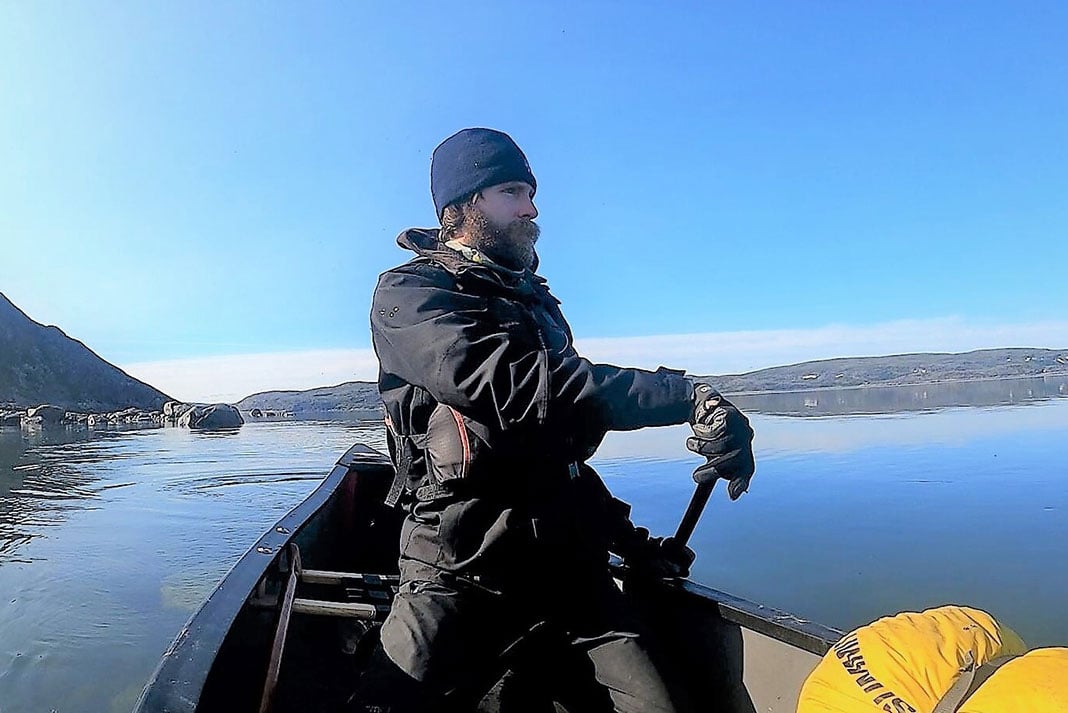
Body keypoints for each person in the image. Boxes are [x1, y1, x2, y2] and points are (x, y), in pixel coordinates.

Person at [354, 128, 756, 713]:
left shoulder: (539, 306)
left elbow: (558, 463)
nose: (532, 208)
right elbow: (507, 384)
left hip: (569, 572)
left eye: (531, 192)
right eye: (513, 191)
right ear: (462, 208)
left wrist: (632, 543)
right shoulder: (411, 293)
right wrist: (681, 395)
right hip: (459, 565)